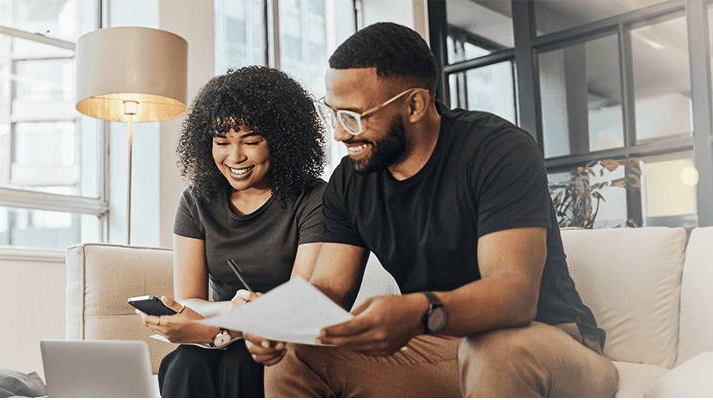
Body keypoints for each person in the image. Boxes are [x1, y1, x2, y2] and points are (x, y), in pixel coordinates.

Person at [246, 22, 619, 398]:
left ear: (414, 105)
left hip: (550, 344)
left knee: (493, 349)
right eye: (333, 113)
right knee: (294, 354)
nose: (340, 134)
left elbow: (514, 294)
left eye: (354, 117)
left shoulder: (497, 151)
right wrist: (281, 323)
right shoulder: (350, 181)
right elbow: (330, 287)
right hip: (445, 349)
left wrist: (418, 311)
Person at [136, 65, 328, 398]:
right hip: (223, 333)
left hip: (286, 338)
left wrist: (214, 328)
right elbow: (189, 300)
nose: (235, 156)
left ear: (281, 141)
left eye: (251, 141)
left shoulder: (314, 199)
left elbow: (299, 302)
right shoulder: (196, 201)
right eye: (222, 142)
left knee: (241, 362)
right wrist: (230, 313)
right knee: (184, 362)